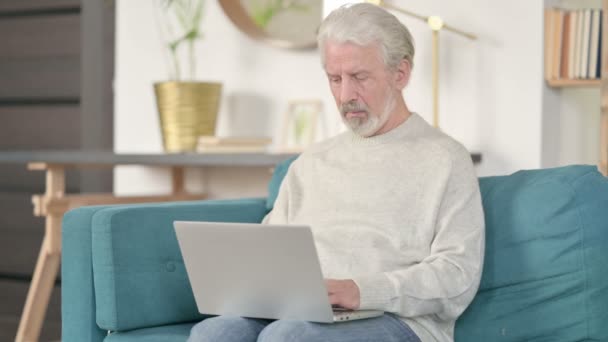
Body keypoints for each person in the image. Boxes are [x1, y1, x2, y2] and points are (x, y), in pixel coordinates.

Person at [188, 3, 484, 342]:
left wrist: (361, 291)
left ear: (400, 74)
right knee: (217, 331)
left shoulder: (445, 159)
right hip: (301, 310)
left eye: (359, 77)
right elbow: (271, 252)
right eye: (335, 78)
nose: (345, 95)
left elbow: (457, 275)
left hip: (398, 319)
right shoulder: (310, 163)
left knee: (289, 337)